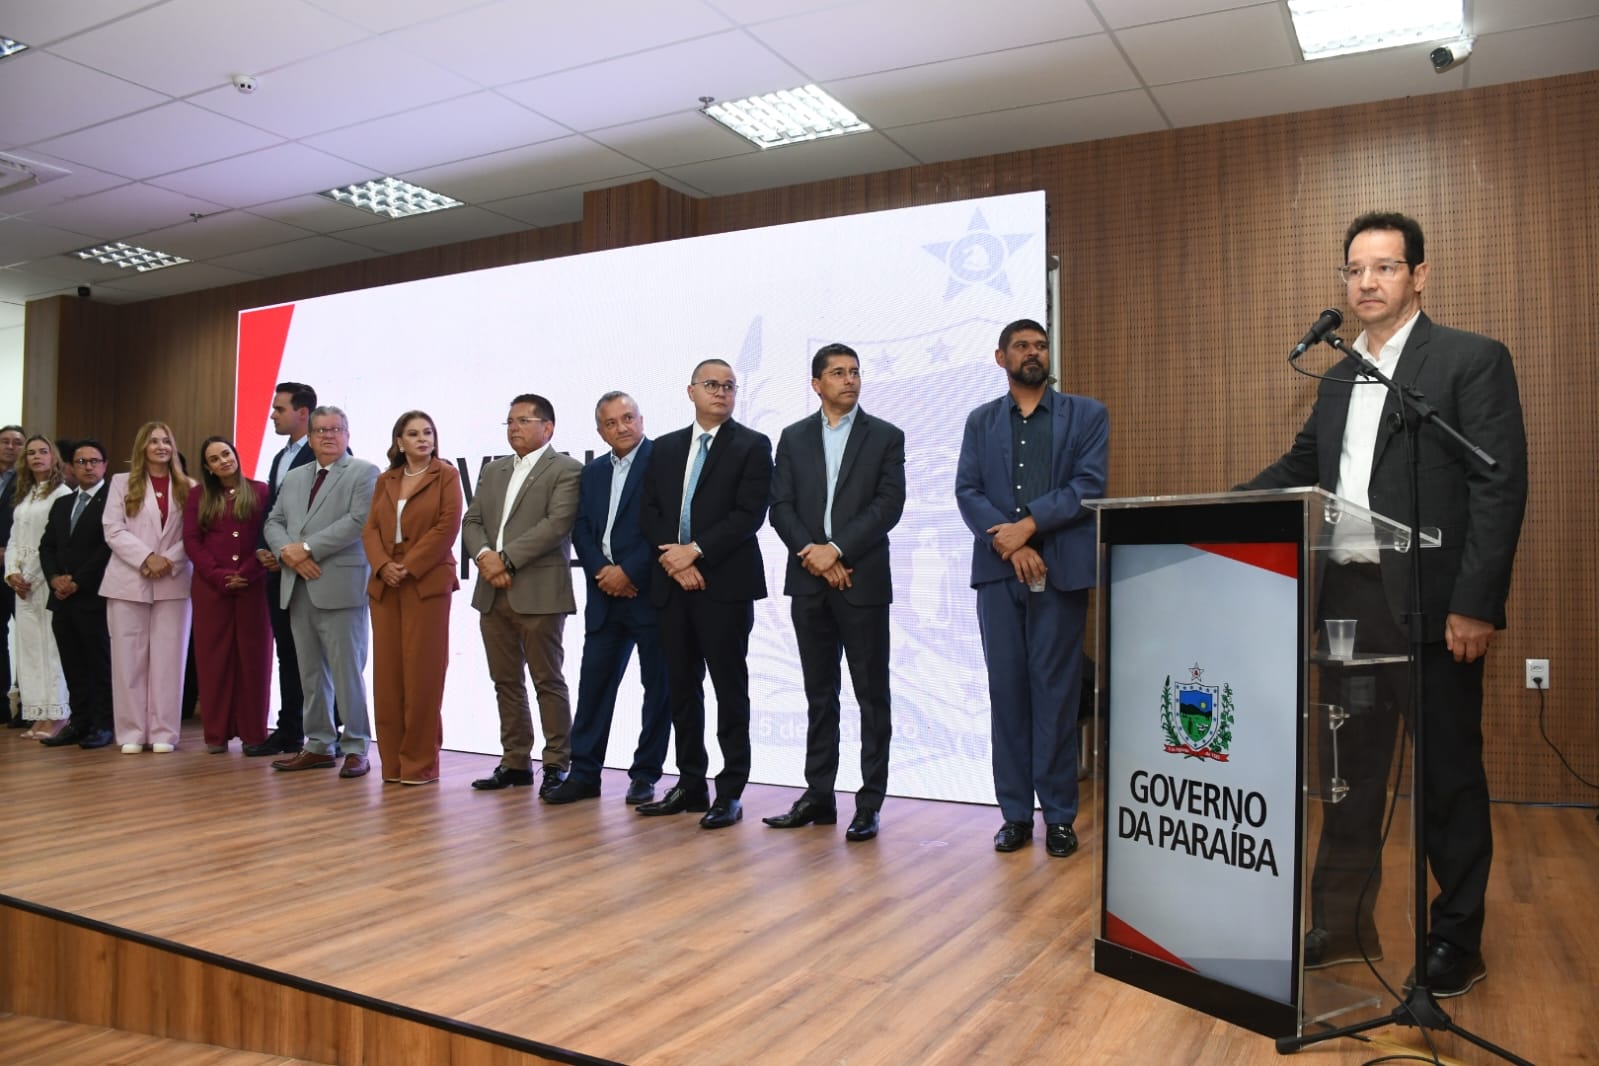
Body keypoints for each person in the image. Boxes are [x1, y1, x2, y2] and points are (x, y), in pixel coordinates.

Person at [1238, 211, 1527, 998]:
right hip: (1348, 605)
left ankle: (1455, 941)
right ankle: (1340, 925)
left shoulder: (1467, 359)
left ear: (1418, 276)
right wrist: (1221, 507)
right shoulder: (1338, 375)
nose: (1365, 283)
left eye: (1384, 267)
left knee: (1446, 780)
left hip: (1433, 608)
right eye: (1354, 270)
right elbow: (1301, 467)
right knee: (1347, 775)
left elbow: (1497, 485)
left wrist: (1475, 603)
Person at [956, 319, 1108, 859]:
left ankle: (1060, 817)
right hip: (1000, 573)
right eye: (1022, 346)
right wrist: (1012, 544)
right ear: (1002, 357)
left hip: (1059, 573)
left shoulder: (1086, 414)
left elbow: (1088, 486)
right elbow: (968, 491)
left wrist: (1029, 526)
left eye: (1040, 345)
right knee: (1008, 696)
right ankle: (1015, 815)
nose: (1033, 353)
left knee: (1056, 697)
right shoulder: (980, 421)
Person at [763, 344, 906, 843]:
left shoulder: (885, 436)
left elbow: (888, 504)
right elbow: (780, 506)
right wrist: (815, 554)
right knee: (819, 694)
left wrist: (838, 550)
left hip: (862, 580)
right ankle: (819, 795)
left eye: (855, 372)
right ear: (816, 384)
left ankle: (869, 804)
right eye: (838, 373)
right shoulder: (793, 437)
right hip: (809, 582)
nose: (850, 380)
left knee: (871, 696)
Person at [637, 359, 772, 829]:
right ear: (690, 391)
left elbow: (748, 514)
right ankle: (690, 783)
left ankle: (730, 791)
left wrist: (694, 552)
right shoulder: (665, 447)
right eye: (712, 384)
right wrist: (675, 562)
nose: (721, 392)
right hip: (671, 585)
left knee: (729, 690)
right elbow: (649, 511)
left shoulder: (752, 445)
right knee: (681, 688)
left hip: (725, 585)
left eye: (729, 386)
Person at [544, 392, 671, 807]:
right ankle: (584, 774)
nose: (622, 427)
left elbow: (667, 525)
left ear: (641, 418)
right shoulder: (593, 471)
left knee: (658, 690)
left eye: (628, 417)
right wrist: (603, 571)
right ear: (600, 431)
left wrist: (629, 572)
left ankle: (645, 775)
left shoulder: (664, 461)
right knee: (595, 687)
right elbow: (580, 527)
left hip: (650, 594)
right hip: (604, 597)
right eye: (612, 422)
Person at [461, 394, 582, 795]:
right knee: (505, 681)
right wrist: (484, 556)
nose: (514, 427)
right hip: (491, 592)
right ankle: (515, 761)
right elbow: (472, 520)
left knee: (548, 680)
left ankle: (556, 763)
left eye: (523, 420)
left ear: (548, 427)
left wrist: (505, 560)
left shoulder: (566, 469)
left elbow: (557, 524)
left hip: (539, 591)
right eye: (510, 421)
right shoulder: (494, 470)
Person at [263, 406, 380, 779]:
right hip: (298, 584)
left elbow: (359, 521)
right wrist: (288, 554)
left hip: (340, 585)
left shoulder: (364, 472)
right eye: (321, 430)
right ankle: (318, 744)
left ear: (347, 434)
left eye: (336, 429)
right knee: (310, 673)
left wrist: (307, 549)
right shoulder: (295, 477)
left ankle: (356, 746)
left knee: (347, 672)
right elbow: (274, 521)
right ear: (310, 437)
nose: (328, 435)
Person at [361, 410, 462, 786]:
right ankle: (392, 765)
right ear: (399, 442)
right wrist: (383, 565)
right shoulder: (385, 479)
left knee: (423, 676)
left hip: (426, 582)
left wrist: (409, 565)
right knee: (388, 679)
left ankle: (419, 764)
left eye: (428, 433)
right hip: (385, 583)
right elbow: (370, 528)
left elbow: (447, 527)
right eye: (414, 433)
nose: (423, 439)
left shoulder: (446, 475)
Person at [102, 422, 195, 753]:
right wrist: (146, 558)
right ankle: (131, 733)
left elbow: (194, 533)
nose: (160, 446)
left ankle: (163, 733)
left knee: (169, 660)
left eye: (166, 440)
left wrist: (167, 560)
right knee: (128, 659)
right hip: (128, 580)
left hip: (174, 580)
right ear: (142, 446)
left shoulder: (189, 486)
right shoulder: (121, 482)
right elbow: (113, 529)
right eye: (153, 441)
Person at [182, 436, 272, 754]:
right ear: (208, 467)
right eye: (215, 458)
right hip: (211, 589)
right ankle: (216, 734)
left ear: (236, 455)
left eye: (226, 453)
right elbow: (192, 541)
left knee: (254, 660)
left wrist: (247, 571)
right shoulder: (198, 496)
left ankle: (253, 734)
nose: (223, 461)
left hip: (253, 586)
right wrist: (219, 575)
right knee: (214, 661)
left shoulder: (260, 491)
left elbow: (267, 535)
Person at [246, 382, 317, 757]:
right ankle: (290, 729)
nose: (272, 415)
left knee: (315, 655)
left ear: (302, 413)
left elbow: (323, 514)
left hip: (308, 568)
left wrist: (289, 551)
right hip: (277, 569)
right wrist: (265, 547)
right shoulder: (280, 456)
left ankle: (325, 732)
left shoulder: (325, 451)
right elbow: (272, 511)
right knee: (287, 652)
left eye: (279, 408)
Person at [38, 440, 115, 749]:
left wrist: (78, 581)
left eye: (94, 461)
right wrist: (54, 578)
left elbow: (107, 547)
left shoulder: (114, 502)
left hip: (94, 595)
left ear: (105, 465)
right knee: (72, 664)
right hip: (62, 598)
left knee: (99, 665)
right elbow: (47, 546)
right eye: (81, 462)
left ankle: (103, 725)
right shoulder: (63, 503)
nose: (88, 467)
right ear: (71, 467)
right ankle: (79, 722)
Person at [4, 436, 72, 738]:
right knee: (30, 648)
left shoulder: (61, 493)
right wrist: (12, 573)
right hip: (22, 583)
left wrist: (30, 574)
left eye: (43, 451)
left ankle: (58, 714)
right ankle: (38, 713)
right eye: (31, 453)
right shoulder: (26, 493)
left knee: (51, 647)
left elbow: (54, 540)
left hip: (45, 578)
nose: (36, 457)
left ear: (53, 457)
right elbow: (14, 538)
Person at [0, 424, 23, 727]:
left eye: (17, 442)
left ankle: (30, 704)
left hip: (20, 570)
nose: (10, 446)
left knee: (28, 636)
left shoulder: (28, 482)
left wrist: (10, 553)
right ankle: (2, 705)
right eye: (5, 441)